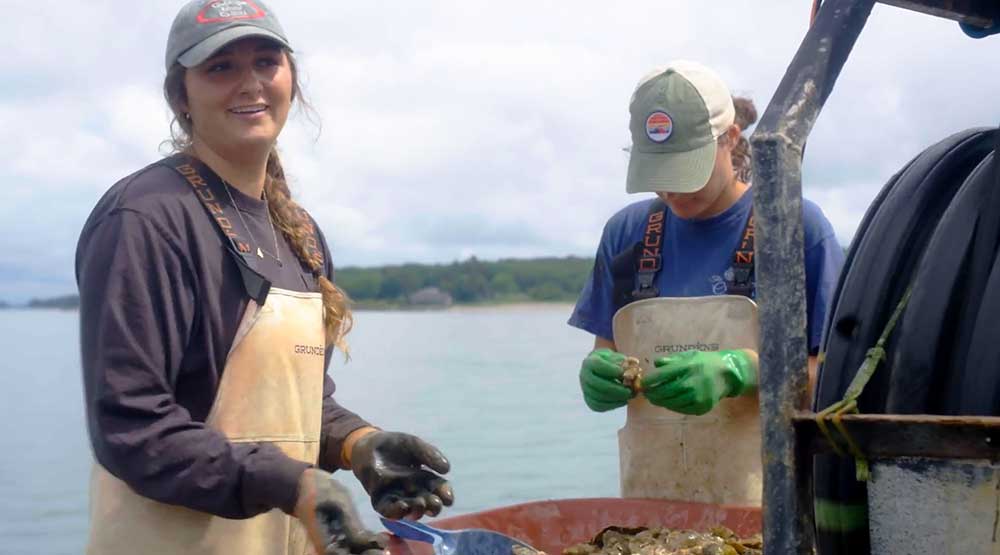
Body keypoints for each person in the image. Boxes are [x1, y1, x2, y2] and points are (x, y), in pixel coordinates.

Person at [76, 2, 453, 554]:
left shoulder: (298, 231)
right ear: (181, 96)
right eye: (220, 67)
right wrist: (293, 484)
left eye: (265, 62)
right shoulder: (146, 219)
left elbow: (294, 405)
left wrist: (358, 444)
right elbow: (132, 427)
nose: (249, 83)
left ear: (291, 79)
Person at [568, 61, 844, 505]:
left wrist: (740, 370)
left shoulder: (795, 228)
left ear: (730, 139)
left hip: (769, 510)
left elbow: (837, 383)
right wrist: (599, 374)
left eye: (686, 170)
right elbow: (607, 350)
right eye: (660, 173)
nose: (672, 191)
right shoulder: (625, 236)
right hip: (650, 508)